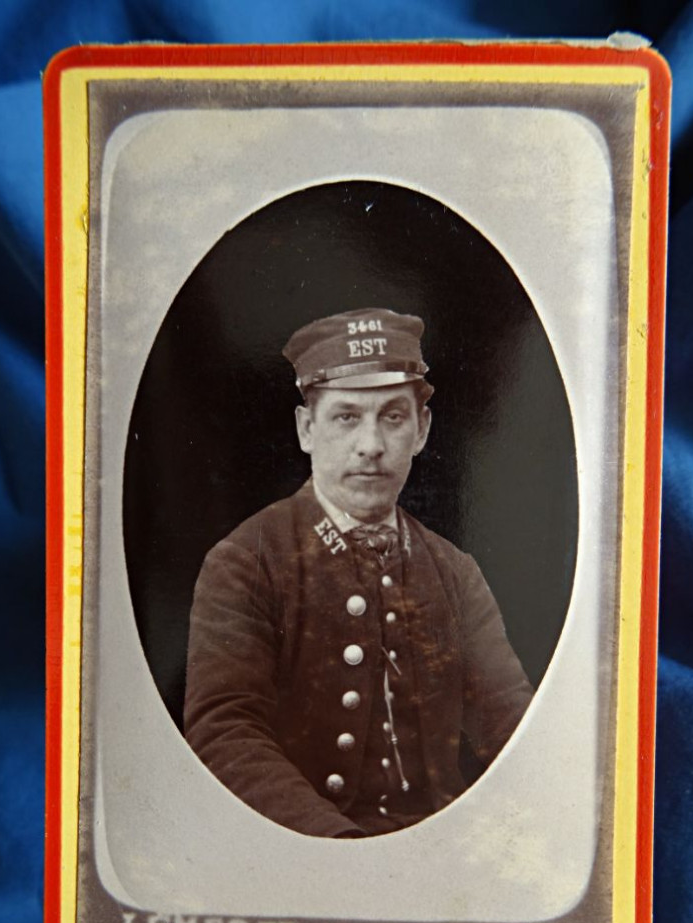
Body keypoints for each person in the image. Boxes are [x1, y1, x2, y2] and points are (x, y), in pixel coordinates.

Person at [184, 308, 533, 838]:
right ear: (307, 429)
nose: (371, 445)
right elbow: (223, 732)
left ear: (422, 430)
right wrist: (339, 847)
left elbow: (513, 724)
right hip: (304, 852)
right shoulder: (246, 561)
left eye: (392, 417)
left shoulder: (455, 572)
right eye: (347, 417)